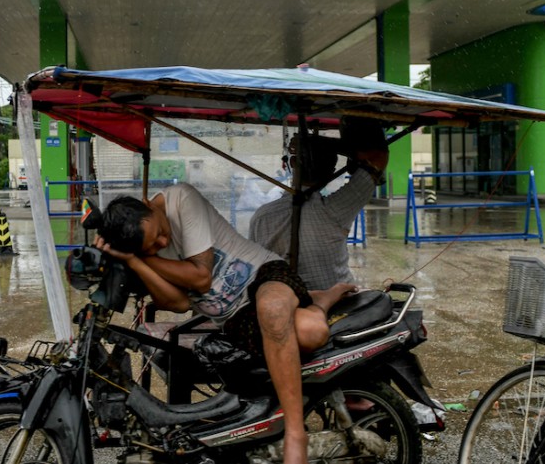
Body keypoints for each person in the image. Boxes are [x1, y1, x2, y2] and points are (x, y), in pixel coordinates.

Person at [95, 183, 355, 464]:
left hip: (264, 276)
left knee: (271, 308)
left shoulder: (181, 199)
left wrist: (143, 258)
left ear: (149, 204)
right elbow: (180, 303)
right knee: (311, 332)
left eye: (159, 233)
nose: (162, 244)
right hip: (236, 317)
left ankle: (294, 433)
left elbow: (200, 278)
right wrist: (135, 263)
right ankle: (321, 300)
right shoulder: (142, 248)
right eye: (152, 248)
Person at [249, 123, 389, 291]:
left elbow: (253, 270)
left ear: (293, 163)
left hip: (283, 299)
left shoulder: (261, 216)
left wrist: (313, 143)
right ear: (331, 171)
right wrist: (329, 144)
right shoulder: (334, 209)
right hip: (339, 305)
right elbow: (377, 157)